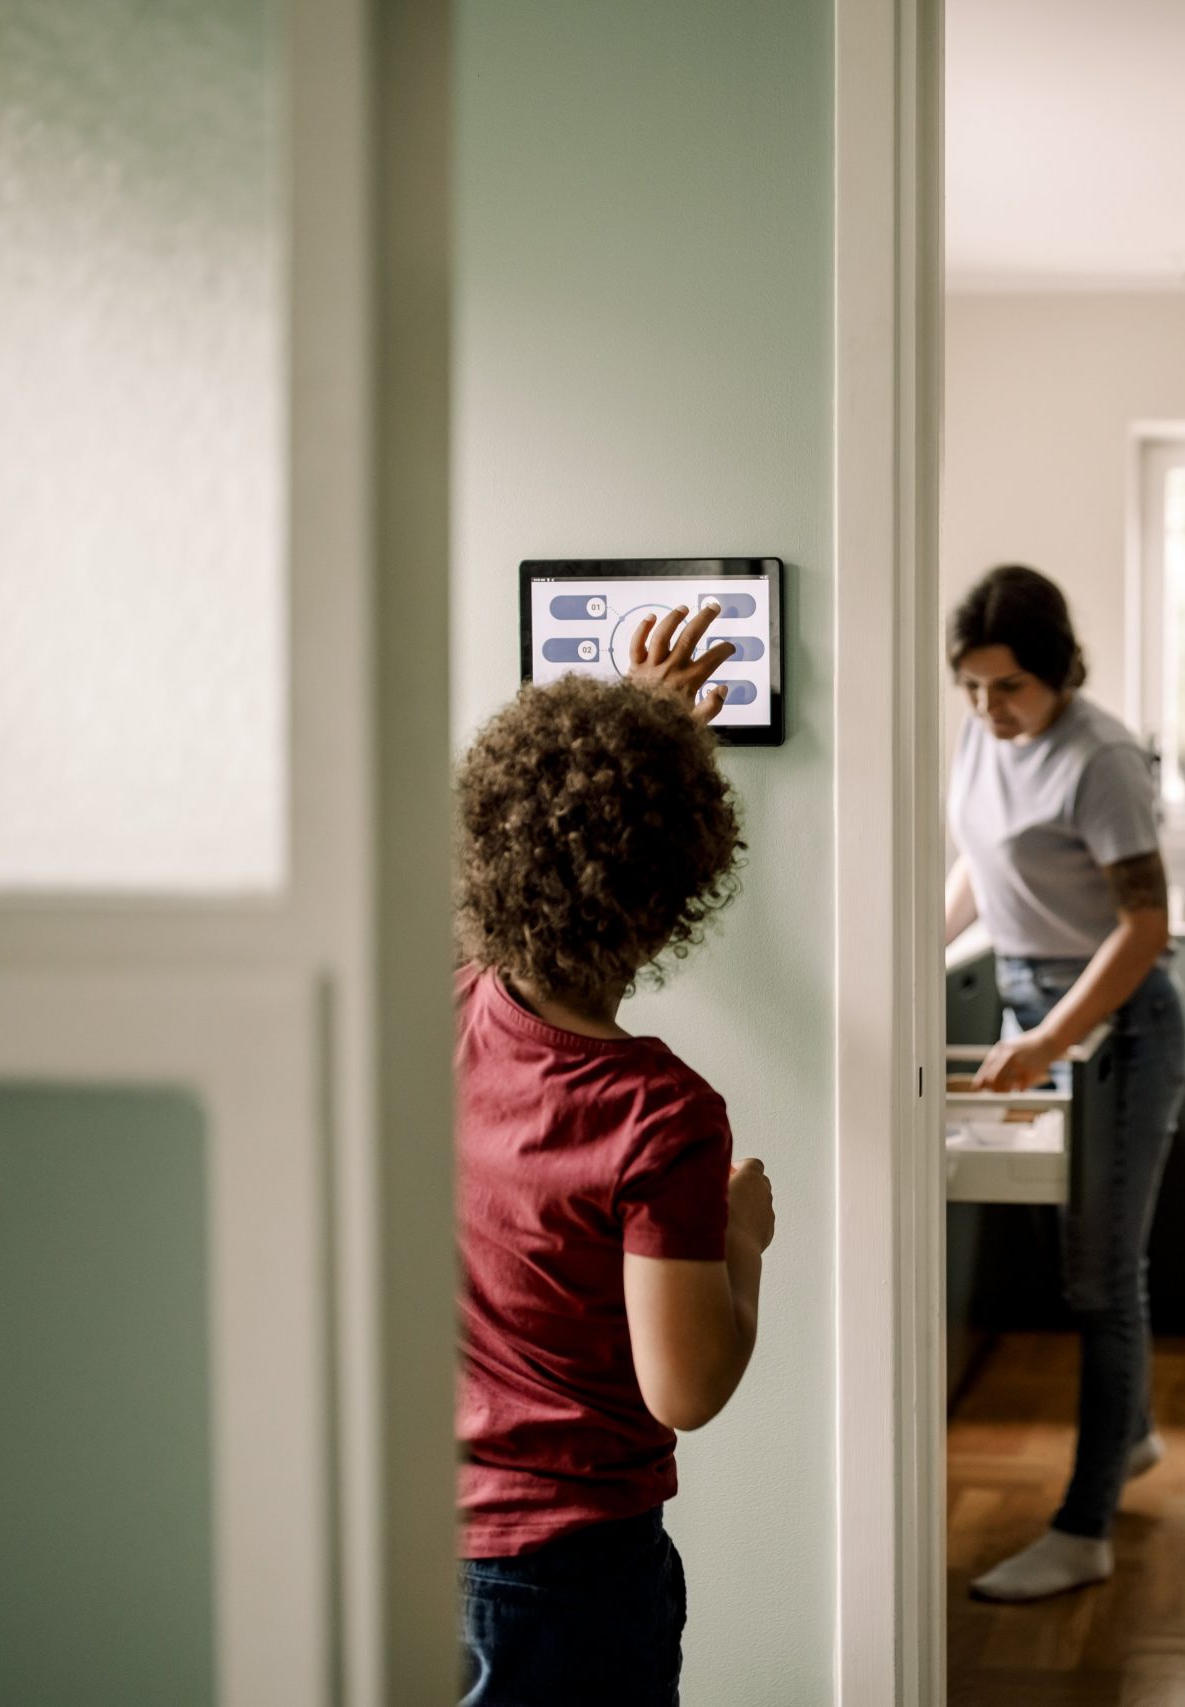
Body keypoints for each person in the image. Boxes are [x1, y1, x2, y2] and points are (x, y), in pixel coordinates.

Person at [454, 605, 774, 1705]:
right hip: (572, 1573)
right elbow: (685, 1387)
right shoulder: (660, 1114)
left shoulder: (436, 1006)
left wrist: (634, 717)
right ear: (675, 897)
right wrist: (745, 1243)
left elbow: (530, 853)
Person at [944, 563, 1185, 1603]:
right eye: (972, 689)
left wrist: (1047, 1036)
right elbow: (980, 868)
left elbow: (1145, 927)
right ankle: (1125, 1437)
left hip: (1115, 1029)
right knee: (1073, 1259)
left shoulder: (1101, 758)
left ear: (1056, 673)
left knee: (1100, 1280)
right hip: (1033, 1009)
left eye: (1008, 689)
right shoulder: (985, 735)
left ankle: (1084, 1527)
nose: (990, 710)